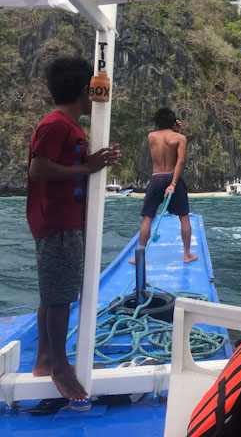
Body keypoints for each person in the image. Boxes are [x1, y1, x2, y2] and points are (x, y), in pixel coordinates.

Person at [27, 56, 121, 402]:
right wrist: (89, 167)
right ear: (86, 90)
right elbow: (39, 170)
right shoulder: (56, 125)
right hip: (56, 220)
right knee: (60, 296)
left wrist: (95, 161)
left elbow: (70, 164)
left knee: (54, 291)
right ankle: (60, 367)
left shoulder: (70, 127)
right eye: (94, 91)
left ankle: (45, 357)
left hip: (64, 219)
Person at [132, 107, 198, 264]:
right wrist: (173, 183)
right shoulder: (180, 138)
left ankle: (139, 257)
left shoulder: (151, 137)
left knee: (147, 217)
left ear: (157, 122)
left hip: (156, 178)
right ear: (174, 121)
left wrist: (172, 128)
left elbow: (163, 138)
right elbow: (180, 161)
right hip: (172, 177)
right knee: (184, 217)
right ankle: (187, 254)